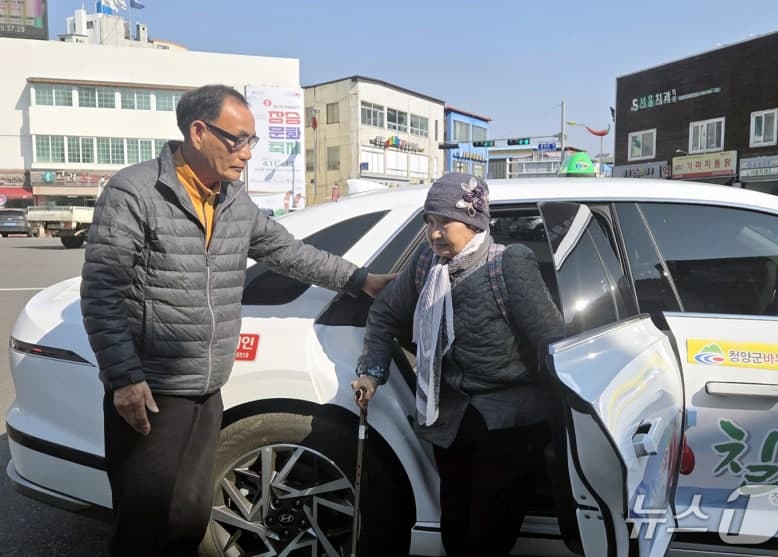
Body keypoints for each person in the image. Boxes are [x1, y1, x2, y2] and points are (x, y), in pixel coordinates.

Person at [80, 84, 394, 557]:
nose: (247, 153)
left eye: (252, 141)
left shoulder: (232, 200)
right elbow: (102, 291)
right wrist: (124, 378)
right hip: (152, 389)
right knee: (142, 523)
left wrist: (360, 280)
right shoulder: (136, 191)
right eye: (237, 139)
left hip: (207, 389)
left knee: (188, 517)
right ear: (198, 131)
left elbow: (289, 253)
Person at [351, 173, 564, 557]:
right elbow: (383, 314)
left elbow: (552, 340)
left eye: (442, 223)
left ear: (473, 222)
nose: (433, 234)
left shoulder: (509, 265)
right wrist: (372, 371)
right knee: (455, 529)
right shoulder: (425, 265)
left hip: (508, 426)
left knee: (486, 537)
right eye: (428, 222)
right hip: (450, 422)